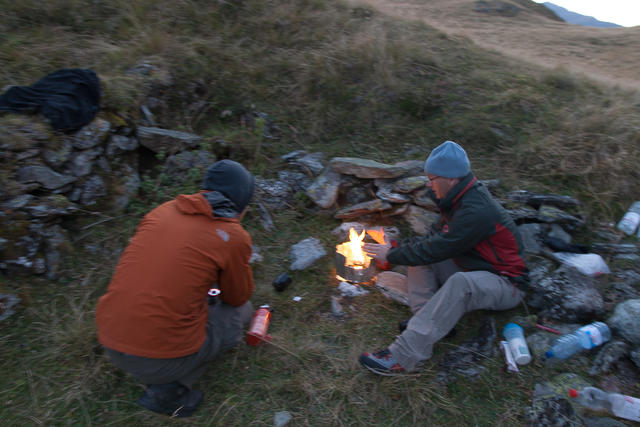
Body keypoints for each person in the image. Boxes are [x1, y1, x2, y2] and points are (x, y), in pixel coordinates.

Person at [96, 159, 256, 416]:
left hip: (109, 339)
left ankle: (158, 367)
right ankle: (171, 389)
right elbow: (238, 297)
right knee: (241, 313)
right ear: (241, 203)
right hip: (159, 360)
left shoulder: (161, 211)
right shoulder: (232, 235)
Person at [360, 140, 528, 375]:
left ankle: (402, 356)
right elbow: (432, 241)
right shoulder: (456, 199)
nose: (429, 184)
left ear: (451, 179)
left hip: (506, 282)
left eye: (432, 178)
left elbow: (439, 248)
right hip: (475, 266)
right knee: (418, 259)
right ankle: (430, 323)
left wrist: (391, 254)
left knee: (461, 284)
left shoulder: (474, 209)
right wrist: (396, 247)